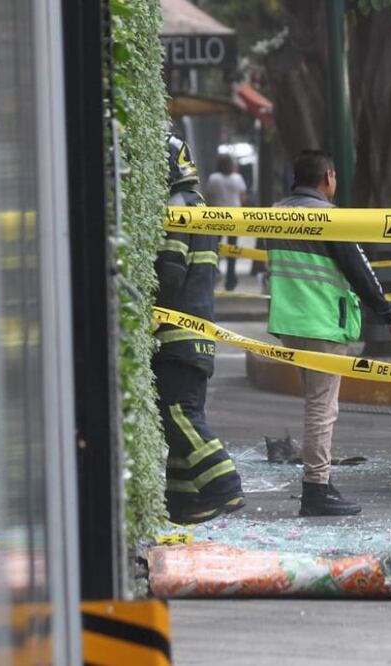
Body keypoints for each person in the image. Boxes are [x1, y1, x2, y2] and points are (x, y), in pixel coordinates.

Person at [267, 150, 391, 516]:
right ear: (327, 177)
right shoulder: (329, 217)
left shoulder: (275, 213)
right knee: (321, 408)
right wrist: (387, 314)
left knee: (317, 403)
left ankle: (322, 481)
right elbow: (358, 269)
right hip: (323, 323)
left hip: (290, 324)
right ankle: (317, 489)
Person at [154, 135, 245, 524]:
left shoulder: (176, 208)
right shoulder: (201, 207)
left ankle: (224, 486)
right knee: (184, 414)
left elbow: (170, 275)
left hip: (175, 333)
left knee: (177, 413)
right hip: (199, 333)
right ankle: (185, 501)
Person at [205, 153, 248, 291]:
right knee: (232, 249)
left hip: (217, 216)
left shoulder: (213, 178)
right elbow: (243, 197)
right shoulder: (238, 178)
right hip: (234, 217)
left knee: (214, 248)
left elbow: (208, 197)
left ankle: (214, 273)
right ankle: (231, 279)